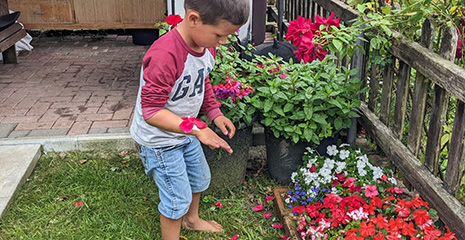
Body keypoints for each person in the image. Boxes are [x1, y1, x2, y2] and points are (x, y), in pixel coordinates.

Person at [130, 0, 250, 239]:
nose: (223, 41)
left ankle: (192, 220)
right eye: (219, 34)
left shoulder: (206, 46)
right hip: (160, 141)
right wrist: (196, 129)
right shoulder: (165, 54)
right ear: (194, 19)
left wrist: (214, 113)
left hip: (185, 132)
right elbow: (151, 111)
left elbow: (201, 80)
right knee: (177, 199)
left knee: (200, 178)